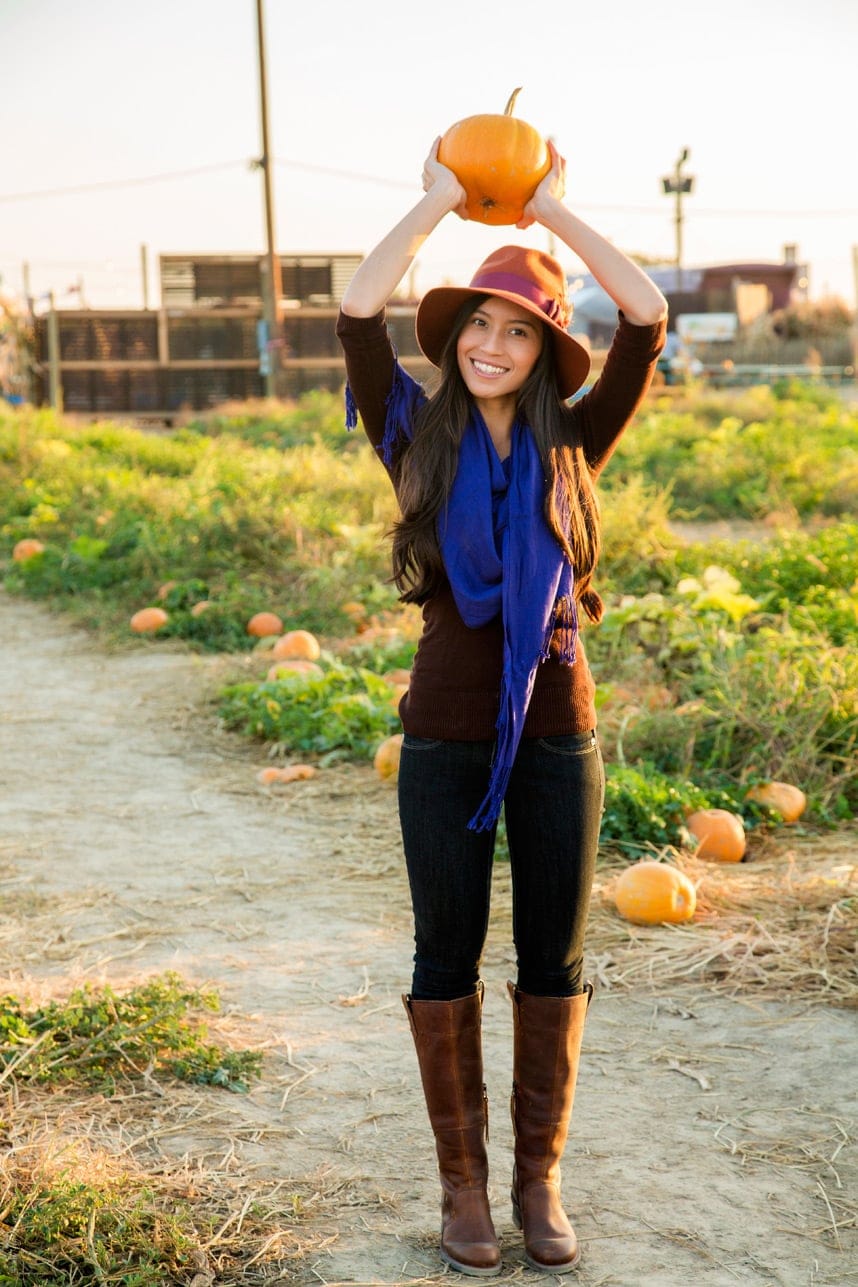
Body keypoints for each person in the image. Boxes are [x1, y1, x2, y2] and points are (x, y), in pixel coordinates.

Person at [336, 139, 667, 1277]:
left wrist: (554, 213)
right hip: (442, 734)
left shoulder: (578, 435)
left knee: (553, 958)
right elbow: (356, 309)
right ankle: (464, 1187)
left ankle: (540, 1180)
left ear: (542, 350)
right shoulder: (413, 432)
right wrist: (439, 198)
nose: (491, 343)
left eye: (518, 328)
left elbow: (647, 312)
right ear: (455, 339)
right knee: (445, 954)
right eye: (477, 324)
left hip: (556, 731)